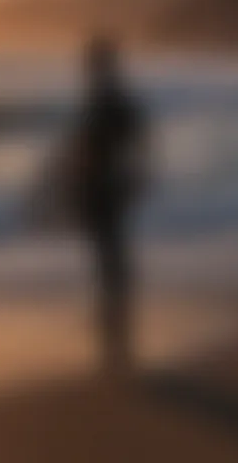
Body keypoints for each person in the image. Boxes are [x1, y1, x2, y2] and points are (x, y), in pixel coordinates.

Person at [56, 36, 149, 377]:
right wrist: (136, 179)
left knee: (108, 250)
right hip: (109, 185)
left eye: (90, 62)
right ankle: (115, 316)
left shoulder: (105, 101)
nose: (86, 68)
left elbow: (98, 147)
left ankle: (115, 322)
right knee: (109, 249)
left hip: (103, 186)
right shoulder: (111, 100)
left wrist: (78, 179)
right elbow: (138, 143)